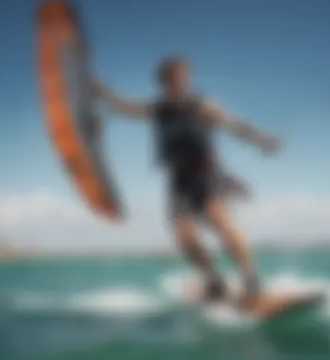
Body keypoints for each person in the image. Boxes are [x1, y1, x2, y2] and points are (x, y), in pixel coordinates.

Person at [92, 56, 281, 306]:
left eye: (184, 77)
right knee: (185, 238)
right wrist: (103, 92)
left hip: (206, 174)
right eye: (174, 77)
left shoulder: (202, 105)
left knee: (220, 221)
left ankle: (250, 278)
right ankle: (214, 279)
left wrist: (261, 139)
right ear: (163, 82)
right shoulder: (158, 109)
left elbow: (234, 124)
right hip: (178, 181)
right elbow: (125, 107)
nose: (181, 82)